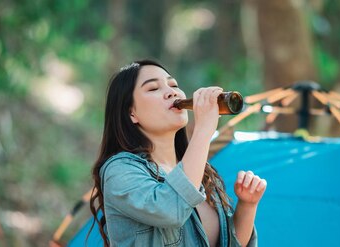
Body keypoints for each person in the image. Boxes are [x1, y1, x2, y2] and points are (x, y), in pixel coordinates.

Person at [89, 60, 267, 247]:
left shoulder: (198, 171)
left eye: (173, 84)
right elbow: (170, 210)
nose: (172, 92)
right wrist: (204, 129)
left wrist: (247, 205)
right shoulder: (119, 170)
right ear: (131, 113)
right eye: (153, 88)